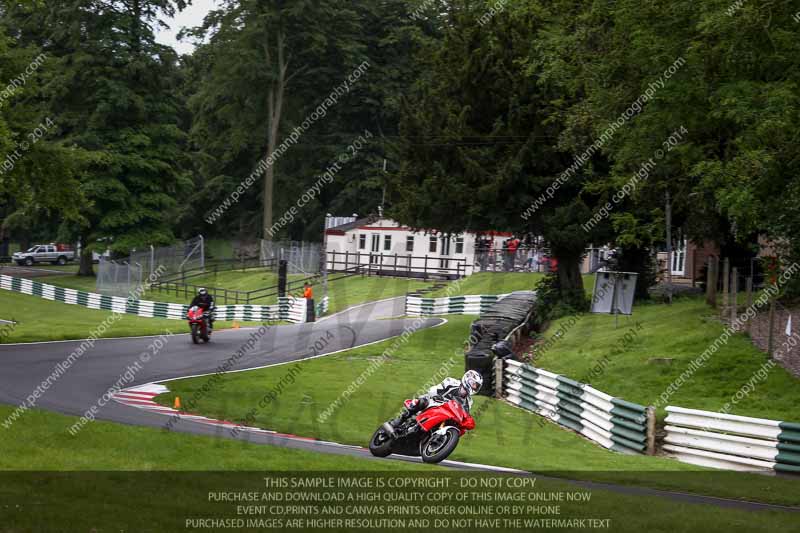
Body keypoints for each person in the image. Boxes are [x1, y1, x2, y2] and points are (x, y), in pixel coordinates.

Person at [387, 370, 484, 431]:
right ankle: (399, 420)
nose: (474, 387)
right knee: (421, 401)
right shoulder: (452, 382)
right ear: (467, 379)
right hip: (435, 402)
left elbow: (464, 414)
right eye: (473, 384)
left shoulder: (469, 401)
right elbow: (434, 390)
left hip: (447, 414)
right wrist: (437, 396)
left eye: (476, 386)